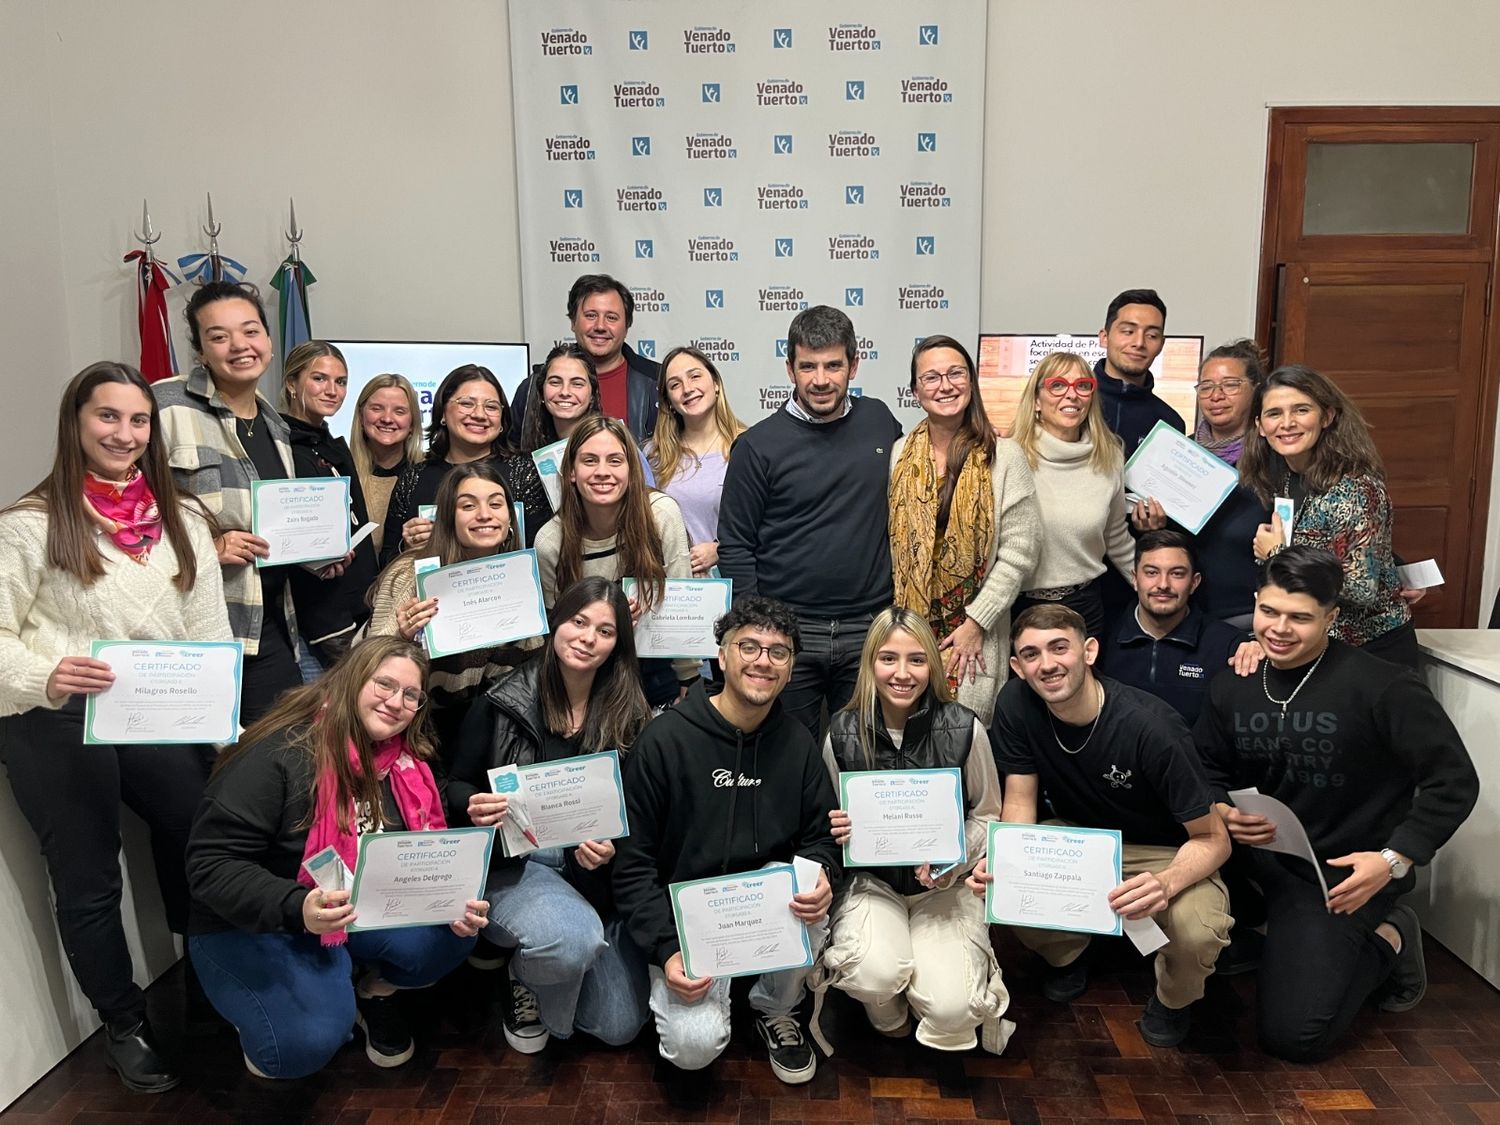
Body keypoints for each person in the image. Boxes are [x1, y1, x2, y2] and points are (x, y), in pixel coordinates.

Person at [0, 362, 230, 1093]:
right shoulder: (30, 524)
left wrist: (221, 727)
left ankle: (212, 980)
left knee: (201, 834)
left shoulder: (185, 518)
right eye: (108, 417)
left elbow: (206, 626)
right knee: (88, 875)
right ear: (76, 423)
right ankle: (123, 1020)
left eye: (138, 421)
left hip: (157, 708)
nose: (124, 433)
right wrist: (47, 674)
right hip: (56, 717)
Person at [1195, 547, 1478, 1062]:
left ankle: (1390, 938)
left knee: (1294, 1038)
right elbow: (1205, 767)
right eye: (1269, 611)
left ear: (1332, 618)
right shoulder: (1232, 684)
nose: (1279, 629)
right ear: (1255, 603)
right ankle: (1267, 934)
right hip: (1256, 859)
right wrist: (1220, 809)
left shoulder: (1383, 686)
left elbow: (1453, 781)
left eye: (1300, 617)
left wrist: (1392, 861)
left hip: (1343, 874)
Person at [186, 636, 489, 1078]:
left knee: (454, 933)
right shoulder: (279, 752)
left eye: (410, 694)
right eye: (383, 684)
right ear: (351, 678)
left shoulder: (404, 759)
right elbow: (211, 867)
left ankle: (366, 989)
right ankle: (295, 1002)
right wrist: (297, 908)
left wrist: (448, 897)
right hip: (252, 921)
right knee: (299, 1046)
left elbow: (420, 833)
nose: (396, 702)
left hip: (345, 910)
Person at [971, 605, 1232, 1048]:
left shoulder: (1152, 728)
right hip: (1079, 836)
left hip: (1164, 850)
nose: (1047, 664)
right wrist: (1005, 859)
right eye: (1031, 654)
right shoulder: (1016, 703)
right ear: (1016, 667)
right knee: (1006, 884)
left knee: (1197, 931)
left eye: (1059, 648)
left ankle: (1174, 1000)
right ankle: (1071, 954)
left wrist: (1166, 884)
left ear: (1089, 651)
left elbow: (1214, 838)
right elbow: (1019, 797)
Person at [614, 596, 840, 1084]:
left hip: (765, 915)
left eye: (778, 652)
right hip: (688, 923)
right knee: (693, 1049)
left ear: (791, 666)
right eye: (749, 646)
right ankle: (687, 986)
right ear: (721, 656)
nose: (763, 660)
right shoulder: (663, 742)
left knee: (808, 895)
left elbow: (821, 838)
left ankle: (773, 1005)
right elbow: (632, 867)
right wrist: (668, 948)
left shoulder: (798, 743)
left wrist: (823, 874)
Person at [449, 577, 652, 1055]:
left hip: (593, 874)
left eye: (605, 631)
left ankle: (557, 966)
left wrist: (614, 846)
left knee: (618, 1025)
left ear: (618, 642)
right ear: (555, 622)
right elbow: (453, 783)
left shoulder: (631, 710)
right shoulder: (501, 701)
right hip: (518, 866)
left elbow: (642, 806)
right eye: (578, 622)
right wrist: (472, 803)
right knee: (568, 944)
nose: (587, 638)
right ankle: (525, 971)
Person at [817, 609, 1010, 1054]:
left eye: (917, 660)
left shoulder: (964, 726)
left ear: (933, 666)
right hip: (873, 882)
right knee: (872, 973)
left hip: (944, 888)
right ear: (869, 664)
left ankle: (931, 992)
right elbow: (824, 824)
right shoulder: (841, 733)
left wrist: (954, 860)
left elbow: (989, 814)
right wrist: (838, 827)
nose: (902, 674)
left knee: (954, 1009)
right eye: (888, 658)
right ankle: (889, 1012)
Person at [717, 305, 903, 736]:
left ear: (854, 365)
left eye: (833, 365)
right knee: (785, 756)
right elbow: (736, 544)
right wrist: (760, 630)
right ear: (790, 369)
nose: (821, 380)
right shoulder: (757, 446)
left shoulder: (880, 422)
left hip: (868, 626)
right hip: (788, 631)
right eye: (808, 366)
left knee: (862, 755)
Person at [154, 280, 303, 722]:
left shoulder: (276, 425)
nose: (239, 345)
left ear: (269, 342)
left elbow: (272, 526)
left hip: (269, 622)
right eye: (219, 336)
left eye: (251, 330)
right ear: (200, 351)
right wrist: (206, 549)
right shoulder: (164, 406)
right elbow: (117, 514)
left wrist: (316, 554)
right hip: (197, 630)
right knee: (205, 770)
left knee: (284, 754)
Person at [889, 335, 1041, 723]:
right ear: (915, 391)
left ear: (971, 382)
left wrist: (977, 622)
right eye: (932, 377)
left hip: (975, 634)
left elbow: (1019, 553)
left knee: (965, 739)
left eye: (956, 374)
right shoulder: (899, 453)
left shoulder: (1004, 457)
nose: (945, 385)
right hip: (912, 630)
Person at [1240, 365, 1416, 666]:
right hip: (1315, 645)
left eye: (1301, 410)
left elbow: (1362, 588)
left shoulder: (1355, 488)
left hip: (1370, 653)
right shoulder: (1284, 476)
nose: (1287, 423)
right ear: (1259, 424)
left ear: (1327, 416)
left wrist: (1277, 554)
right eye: (1274, 414)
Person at [368, 461, 533, 759]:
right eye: (468, 506)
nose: (485, 515)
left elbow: (528, 670)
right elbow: (364, 664)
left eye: (496, 504)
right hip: (414, 730)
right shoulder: (411, 575)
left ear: (510, 517)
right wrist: (401, 638)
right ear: (448, 517)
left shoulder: (520, 576)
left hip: (490, 734)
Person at [533, 415, 694, 708]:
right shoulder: (550, 542)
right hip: (586, 672)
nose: (602, 472)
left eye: (615, 461)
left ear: (632, 470)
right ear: (571, 472)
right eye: (590, 460)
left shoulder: (661, 515)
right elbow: (554, 635)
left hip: (656, 666)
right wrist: (608, 621)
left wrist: (689, 680)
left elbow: (683, 602)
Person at [1008, 352, 1135, 639]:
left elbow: (1116, 536)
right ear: (1037, 401)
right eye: (1057, 385)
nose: (1072, 395)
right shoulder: (1009, 456)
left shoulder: (1109, 456)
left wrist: (1153, 585)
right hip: (1019, 607)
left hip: (1084, 607)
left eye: (1082, 386)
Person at [279, 341, 379, 670]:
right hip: (316, 614)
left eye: (341, 381)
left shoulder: (331, 443)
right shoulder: (280, 446)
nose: (332, 390)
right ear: (292, 383)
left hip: (358, 602)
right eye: (319, 379)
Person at [1098, 530, 1242, 727]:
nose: (1163, 584)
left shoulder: (1228, 646)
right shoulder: (1102, 639)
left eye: (1176, 574)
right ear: (1134, 579)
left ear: (1194, 583)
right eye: (1151, 573)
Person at [379, 365, 514, 564]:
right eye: (467, 404)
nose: (479, 414)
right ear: (442, 412)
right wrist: (406, 548)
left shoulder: (524, 472)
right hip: (434, 593)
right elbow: (386, 559)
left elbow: (542, 554)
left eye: (491, 407)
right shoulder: (414, 478)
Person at [507, 274, 661, 445]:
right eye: (590, 315)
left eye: (611, 317)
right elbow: (510, 456)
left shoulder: (656, 383)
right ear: (573, 322)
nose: (600, 326)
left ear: (626, 326)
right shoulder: (531, 389)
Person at [646, 345, 746, 578]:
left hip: (731, 585)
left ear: (716, 384)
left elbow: (770, 526)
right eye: (675, 384)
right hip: (673, 591)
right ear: (668, 401)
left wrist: (721, 550)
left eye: (695, 376)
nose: (687, 389)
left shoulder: (749, 446)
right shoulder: (654, 455)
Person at [1094, 288, 1184, 457]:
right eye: (1128, 331)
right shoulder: (1068, 403)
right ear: (1104, 337)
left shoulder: (1169, 424)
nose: (1139, 342)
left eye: (1151, 335)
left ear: (1162, 344)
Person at [349, 373, 423, 558]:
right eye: (377, 408)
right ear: (361, 415)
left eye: (399, 411)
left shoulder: (428, 475)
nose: (387, 419)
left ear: (413, 422)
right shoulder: (340, 473)